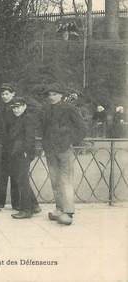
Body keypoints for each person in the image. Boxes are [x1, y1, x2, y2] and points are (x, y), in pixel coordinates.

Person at [40, 84, 87, 225]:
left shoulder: (70, 108)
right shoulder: (46, 109)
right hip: (50, 149)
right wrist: (45, 144)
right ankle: (59, 209)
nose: (51, 97)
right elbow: (44, 129)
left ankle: (68, 213)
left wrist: (70, 141)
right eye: (49, 94)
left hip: (64, 149)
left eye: (54, 94)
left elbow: (82, 128)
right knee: (55, 180)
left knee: (66, 180)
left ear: (61, 95)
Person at [8, 96, 40, 219]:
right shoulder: (17, 119)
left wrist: (26, 152)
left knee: (22, 181)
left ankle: (26, 210)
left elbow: (29, 138)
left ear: (24, 106)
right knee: (21, 179)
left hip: (23, 153)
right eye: (14, 108)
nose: (16, 110)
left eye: (18, 107)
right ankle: (35, 205)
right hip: (16, 153)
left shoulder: (28, 119)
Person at [0, 83, 20, 210]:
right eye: (2, 94)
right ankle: (0, 202)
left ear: (13, 94)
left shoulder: (17, 107)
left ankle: (16, 203)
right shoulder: (0, 108)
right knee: (2, 175)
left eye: (7, 94)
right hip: (3, 146)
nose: (4, 96)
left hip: (15, 146)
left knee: (15, 175)